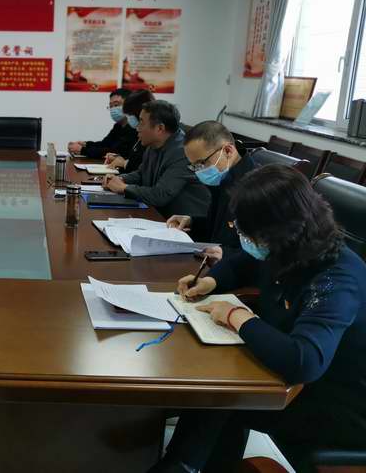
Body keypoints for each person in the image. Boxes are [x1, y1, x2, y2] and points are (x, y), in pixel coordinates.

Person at [150, 165, 366, 473]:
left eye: (247, 233)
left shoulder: (338, 279)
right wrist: (210, 281)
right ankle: (186, 463)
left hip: (334, 402)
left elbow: (305, 361)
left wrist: (237, 316)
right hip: (292, 375)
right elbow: (244, 262)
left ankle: (182, 465)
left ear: (279, 230)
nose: (244, 239)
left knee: (223, 396)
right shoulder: (290, 244)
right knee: (215, 391)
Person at [165, 121, 258, 264]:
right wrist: (192, 222)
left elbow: (263, 251)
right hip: (214, 263)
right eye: (194, 166)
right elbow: (218, 229)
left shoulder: (257, 190)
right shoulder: (224, 179)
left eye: (202, 163)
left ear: (228, 151)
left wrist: (225, 253)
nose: (199, 171)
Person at [102, 100, 210, 218]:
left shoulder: (184, 152)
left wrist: (124, 188)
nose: (137, 128)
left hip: (185, 222)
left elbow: (161, 195)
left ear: (159, 128)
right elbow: (141, 174)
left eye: (141, 122)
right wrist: (120, 179)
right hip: (160, 214)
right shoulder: (153, 144)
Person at [68, 88, 134, 158]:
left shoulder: (134, 127)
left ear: (129, 105)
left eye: (116, 105)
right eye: (111, 106)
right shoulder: (118, 126)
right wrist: (85, 144)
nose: (113, 109)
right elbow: (104, 144)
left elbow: (114, 151)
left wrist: (82, 150)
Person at [100, 89, 154, 174]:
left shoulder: (150, 138)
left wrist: (124, 163)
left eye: (129, 114)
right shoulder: (138, 131)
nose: (128, 118)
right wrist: (120, 160)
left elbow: (144, 170)